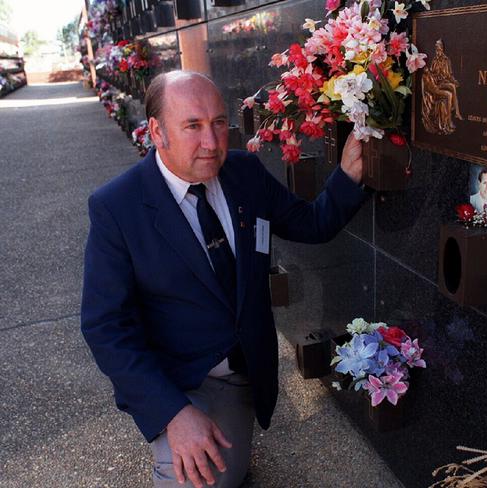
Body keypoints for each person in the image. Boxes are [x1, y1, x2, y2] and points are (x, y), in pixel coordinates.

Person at [80, 70, 366, 488]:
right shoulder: (117, 207)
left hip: (246, 371)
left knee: (221, 472)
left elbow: (311, 224)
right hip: (180, 379)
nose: (213, 143)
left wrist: (350, 173)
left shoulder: (244, 174)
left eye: (218, 122)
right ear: (157, 132)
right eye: (193, 126)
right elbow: (105, 327)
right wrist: (172, 414)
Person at [421, 39, 463, 136]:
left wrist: (453, 81)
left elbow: (449, 75)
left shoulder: (446, 60)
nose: (437, 49)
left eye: (438, 47)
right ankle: (448, 120)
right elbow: (431, 73)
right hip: (436, 83)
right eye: (436, 48)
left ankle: (456, 112)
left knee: (452, 86)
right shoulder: (434, 60)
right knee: (449, 93)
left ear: (442, 48)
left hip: (443, 81)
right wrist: (429, 72)